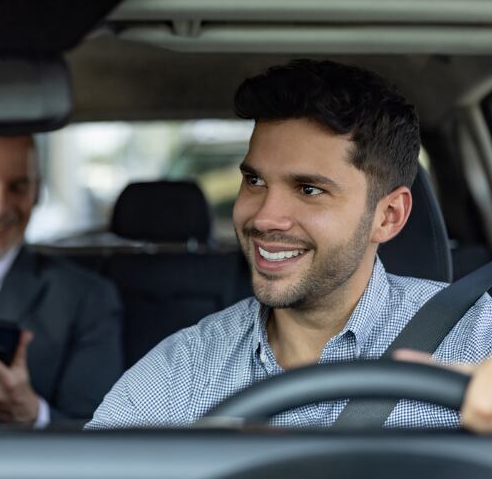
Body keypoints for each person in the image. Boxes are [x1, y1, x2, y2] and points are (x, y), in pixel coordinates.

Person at [87, 60, 492, 430]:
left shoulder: (477, 338)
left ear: (388, 217)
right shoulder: (185, 369)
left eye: (309, 189)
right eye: (255, 181)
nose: (264, 217)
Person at [0, 135, 123, 427]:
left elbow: (97, 435)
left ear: (35, 194)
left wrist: (34, 415)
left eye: (18, 187)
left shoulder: (85, 298)